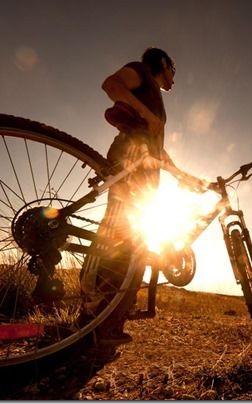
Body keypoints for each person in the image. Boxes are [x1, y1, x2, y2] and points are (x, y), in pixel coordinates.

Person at [80, 47, 206, 344]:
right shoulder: (140, 72)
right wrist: (149, 115)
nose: (174, 79)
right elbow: (111, 85)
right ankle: (95, 318)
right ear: (163, 63)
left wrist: (181, 175)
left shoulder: (155, 96)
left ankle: (110, 320)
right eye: (173, 70)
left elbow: (155, 145)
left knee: (133, 242)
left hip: (144, 167)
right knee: (119, 236)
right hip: (130, 161)